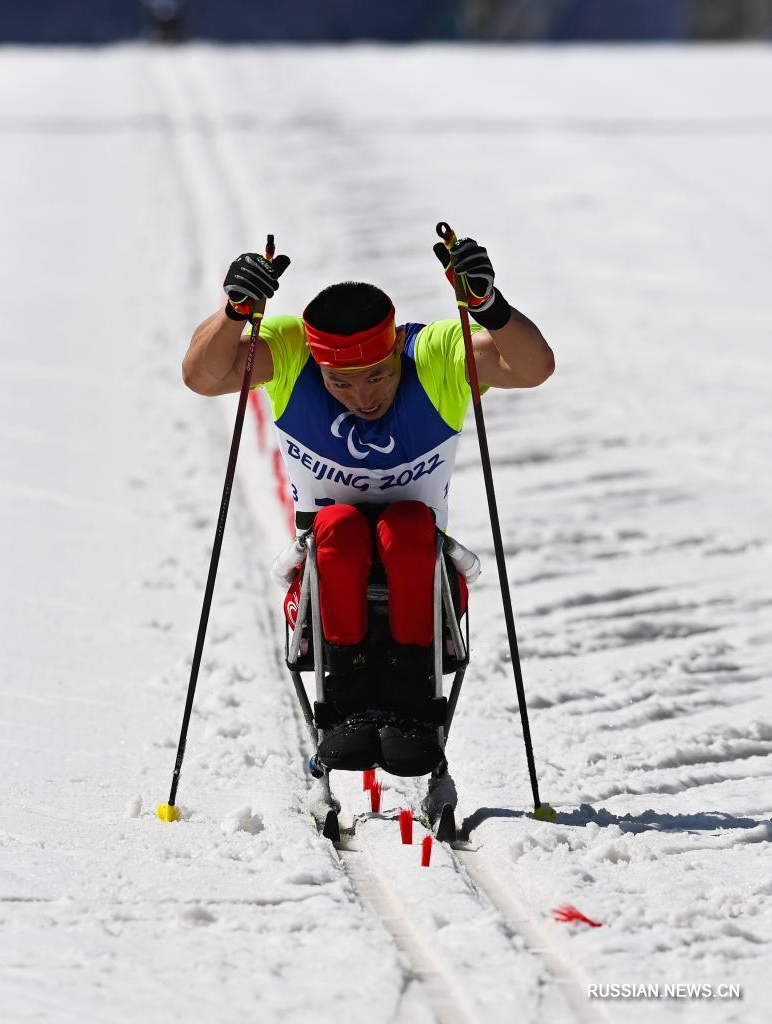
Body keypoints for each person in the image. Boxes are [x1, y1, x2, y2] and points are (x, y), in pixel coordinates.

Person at [183, 234, 554, 775]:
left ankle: (412, 709)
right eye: (339, 382)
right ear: (319, 363)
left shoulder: (433, 354)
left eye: (378, 375)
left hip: (425, 575)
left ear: (394, 349)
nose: (363, 398)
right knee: (340, 526)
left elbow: (533, 368)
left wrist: (487, 306)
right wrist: (237, 311)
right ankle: (345, 709)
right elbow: (202, 374)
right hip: (322, 577)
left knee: (405, 526)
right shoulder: (290, 351)